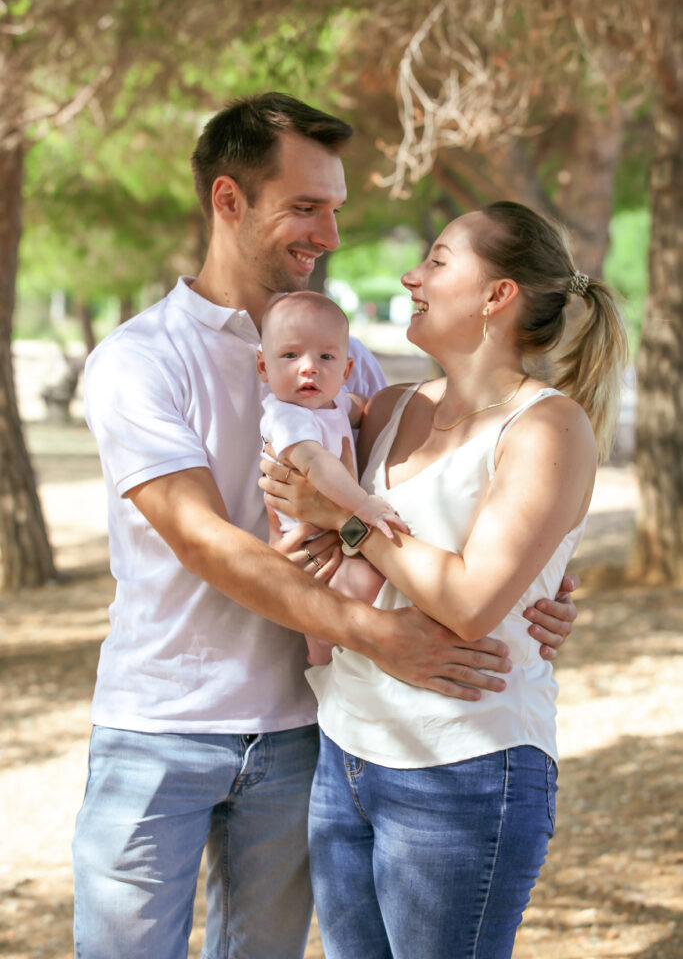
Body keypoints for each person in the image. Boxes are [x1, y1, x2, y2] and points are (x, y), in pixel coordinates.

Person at [72, 92, 578, 959]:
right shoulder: (138, 360)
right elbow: (201, 539)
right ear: (229, 201)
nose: (330, 235)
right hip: (162, 725)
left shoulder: (355, 360)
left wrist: (543, 585)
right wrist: (374, 630)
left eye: (336, 209)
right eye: (306, 207)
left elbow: (445, 510)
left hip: (309, 734)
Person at [261, 201, 628, 959]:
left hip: (463, 766)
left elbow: (467, 601)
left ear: (497, 297)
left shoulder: (547, 427)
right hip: (346, 749)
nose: (410, 275)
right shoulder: (389, 408)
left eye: (436, 260)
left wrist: (346, 520)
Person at [257, 290, 402, 662]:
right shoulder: (287, 416)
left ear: (347, 371)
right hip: (312, 546)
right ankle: (321, 657)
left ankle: (323, 655)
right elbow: (316, 465)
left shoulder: (331, 404)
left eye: (326, 357)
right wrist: (364, 506)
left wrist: (363, 407)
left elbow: (358, 410)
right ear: (263, 367)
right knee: (359, 588)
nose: (309, 367)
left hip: (335, 539)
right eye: (290, 355)